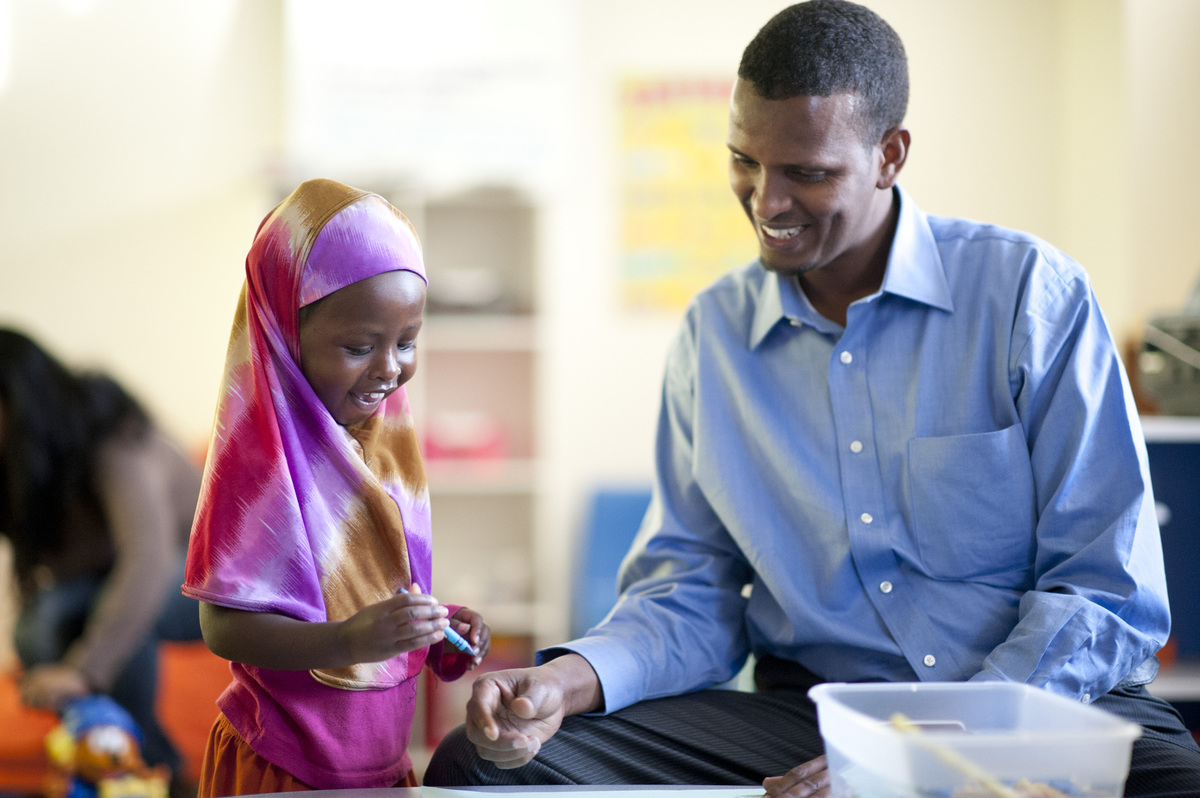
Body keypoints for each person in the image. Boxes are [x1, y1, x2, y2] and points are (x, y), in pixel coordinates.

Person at [423, 2, 1200, 796]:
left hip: (1034, 707)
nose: (766, 202)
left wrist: (929, 750)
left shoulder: (1030, 296)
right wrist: (565, 683)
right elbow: (690, 591)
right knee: (477, 764)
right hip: (814, 719)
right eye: (745, 161)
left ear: (890, 155)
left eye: (808, 172)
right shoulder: (713, 337)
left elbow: (1106, 587)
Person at [182, 178, 492, 796]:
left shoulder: (385, 452)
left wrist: (436, 626)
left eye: (407, 342)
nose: (389, 369)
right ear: (284, 336)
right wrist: (350, 640)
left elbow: (371, 593)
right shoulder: (257, 469)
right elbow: (222, 628)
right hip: (284, 771)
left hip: (377, 770)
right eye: (358, 346)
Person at [0, 327, 203, 780]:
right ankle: (100, 752)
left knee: (112, 609)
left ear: (19, 399)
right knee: (35, 628)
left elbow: (147, 559)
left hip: (208, 566)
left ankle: (151, 771)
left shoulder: (110, 432)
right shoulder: (23, 467)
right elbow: (52, 573)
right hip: (114, 573)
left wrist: (84, 670)